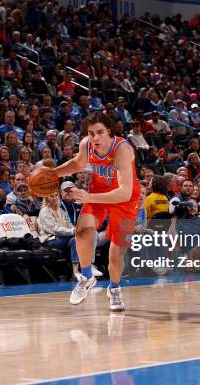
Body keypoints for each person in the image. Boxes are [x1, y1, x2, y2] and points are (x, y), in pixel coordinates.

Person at [53, 113, 141, 311]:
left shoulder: (122, 149)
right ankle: (86, 277)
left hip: (125, 199)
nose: (95, 138)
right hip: (99, 192)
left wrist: (88, 197)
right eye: (91, 133)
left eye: (100, 132)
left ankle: (115, 289)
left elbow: (124, 192)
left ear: (109, 131)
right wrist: (53, 173)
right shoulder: (87, 144)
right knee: (82, 231)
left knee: (115, 255)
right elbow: (77, 164)